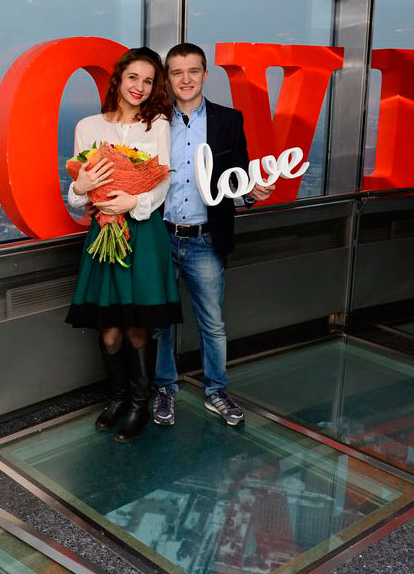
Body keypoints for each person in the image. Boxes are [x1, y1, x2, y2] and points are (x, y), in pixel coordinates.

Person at [152, 43, 274, 427]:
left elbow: (239, 175)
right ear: (168, 78)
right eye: (177, 72)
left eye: (193, 71)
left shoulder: (228, 120)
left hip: (206, 239)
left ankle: (216, 390)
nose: (186, 79)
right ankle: (164, 389)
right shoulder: (154, 122)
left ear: (205, 74)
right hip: (160, 237)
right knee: (160, 322)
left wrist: (252, 192)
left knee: (213, 324)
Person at [65, 47, 181, 443]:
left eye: (149, 81)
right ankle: (116, 399)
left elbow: (163, 181)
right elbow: (78, 194)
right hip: (103, 231)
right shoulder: (87, 126)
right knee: (110, 332)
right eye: (134, 77)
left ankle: (138, 405)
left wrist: (134, 202)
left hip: (143, 233)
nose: (140, 87)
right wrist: (80, 187)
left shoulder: (158, 125)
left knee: (136, 329)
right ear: (118, 79)